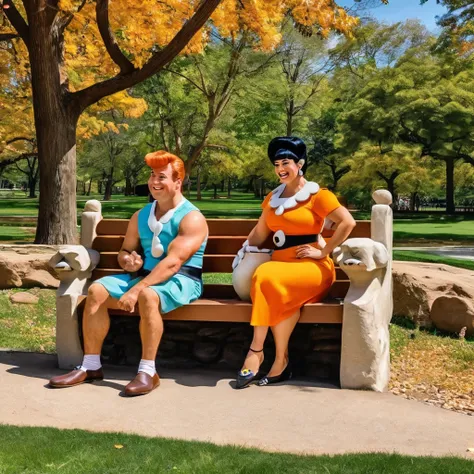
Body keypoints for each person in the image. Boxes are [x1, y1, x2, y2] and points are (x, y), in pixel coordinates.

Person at [49, 151, 208, 396]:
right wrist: (128, 261)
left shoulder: (192, 218)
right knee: (96, 290)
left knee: (147, 296)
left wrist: (136, 289)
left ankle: (148, 371)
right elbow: (126, 250)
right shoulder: (141, 215)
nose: (155, 181)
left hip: (182, 280)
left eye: (162, 177)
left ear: (178, 182)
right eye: (152, 175)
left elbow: (174, 263)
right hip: (145, 277)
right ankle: (91, 366)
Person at [234, 137, 356, 389]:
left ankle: (255, 350)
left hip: (311, 269)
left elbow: (347, 222)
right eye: (277, 163)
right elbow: (259, 232)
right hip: (281, 268)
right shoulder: (272, 198)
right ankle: (280, 361)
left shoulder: (318, 195)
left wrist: (324, 253)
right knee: (273, 284)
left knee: (267, 278)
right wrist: (244, 251)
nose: (280, 168)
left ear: (299, 164)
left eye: (286, 162)